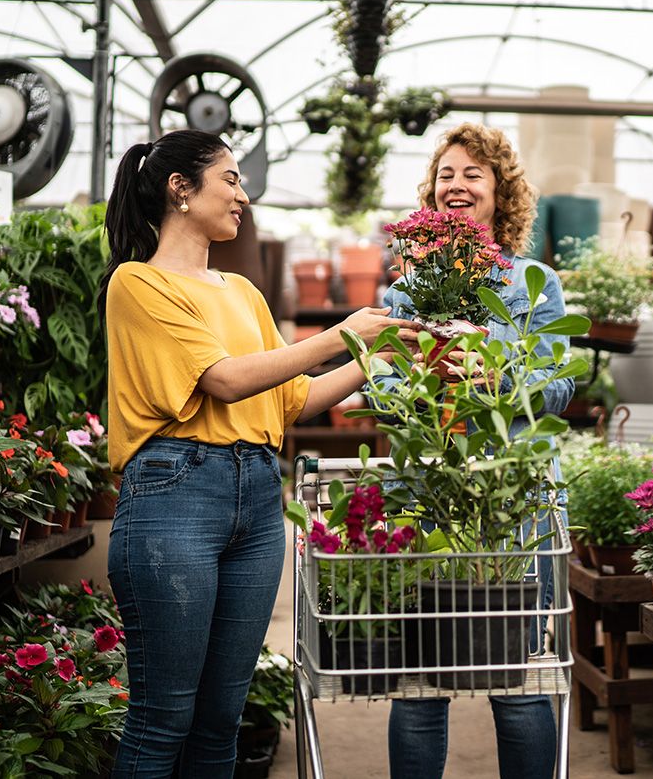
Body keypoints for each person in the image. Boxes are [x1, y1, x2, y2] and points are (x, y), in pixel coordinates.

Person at [99, 128, 418, 777]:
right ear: (180, 189)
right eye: (231, 179)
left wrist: (377, 355)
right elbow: (222, 379)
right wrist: (340, 334)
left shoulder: (242, 292)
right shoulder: (137, 284)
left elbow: (293, 400)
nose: (243, 195)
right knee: (164, 719)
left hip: (257, 498)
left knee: (222, 723)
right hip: (174, 497)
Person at [378, 122, 575, 779]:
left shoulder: (534, 280)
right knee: (419, 687)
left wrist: (495, 376)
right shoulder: (407, 288)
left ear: (501, 192)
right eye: (446, 176)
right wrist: (416, 385)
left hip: (510, 500)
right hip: (429, 493)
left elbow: (560, 383)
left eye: (473, 174)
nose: (457, 186)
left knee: (514, 681)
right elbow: (380, 383)